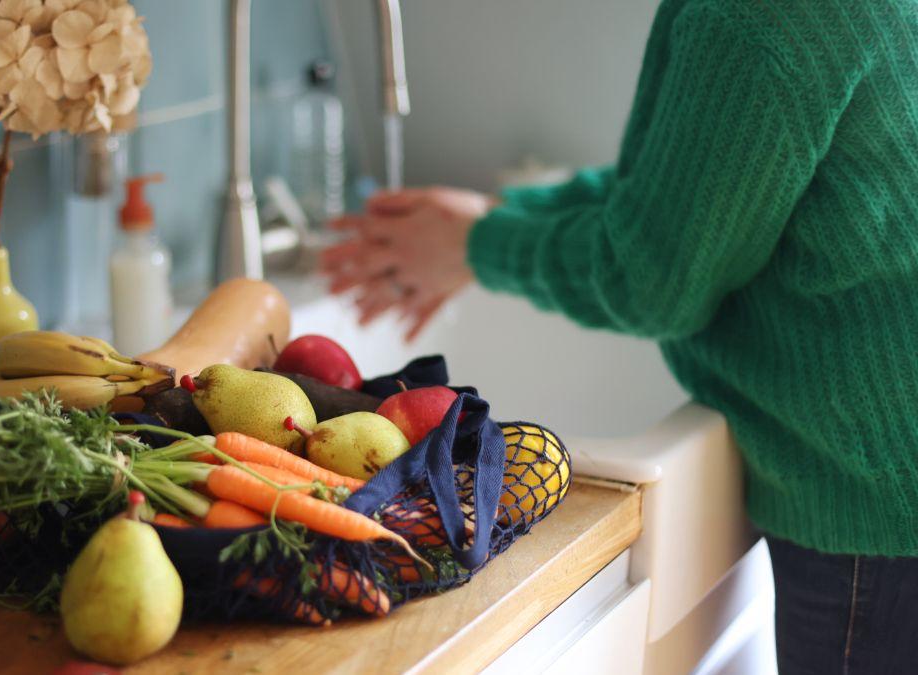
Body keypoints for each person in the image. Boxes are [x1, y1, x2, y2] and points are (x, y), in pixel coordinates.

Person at [321, 1, 918, 673]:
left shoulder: (757, 15)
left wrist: (480, 243)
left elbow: (654, 278)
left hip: (878, 502)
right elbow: (692, 185)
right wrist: (491, 223)